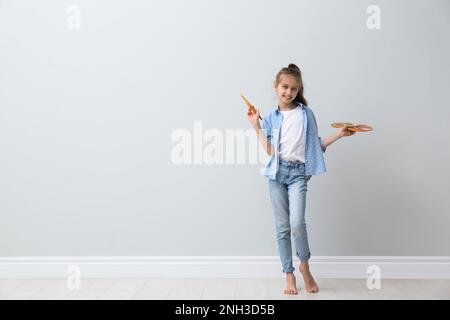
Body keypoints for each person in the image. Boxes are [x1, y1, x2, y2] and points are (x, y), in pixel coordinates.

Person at [247, 63, 355, 295]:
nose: (288, 92)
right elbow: (269, 152)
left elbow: (316, 147)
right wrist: (257, 126)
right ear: (275, 87)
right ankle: (289, 275)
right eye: (285, 87)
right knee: (282, 227)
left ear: (299, 91)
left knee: (297, 223)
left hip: (298, 174)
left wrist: (339, 134)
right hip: (276, 174)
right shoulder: (271, 118)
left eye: (294, 89)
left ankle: (304, 266)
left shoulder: (306, 114)